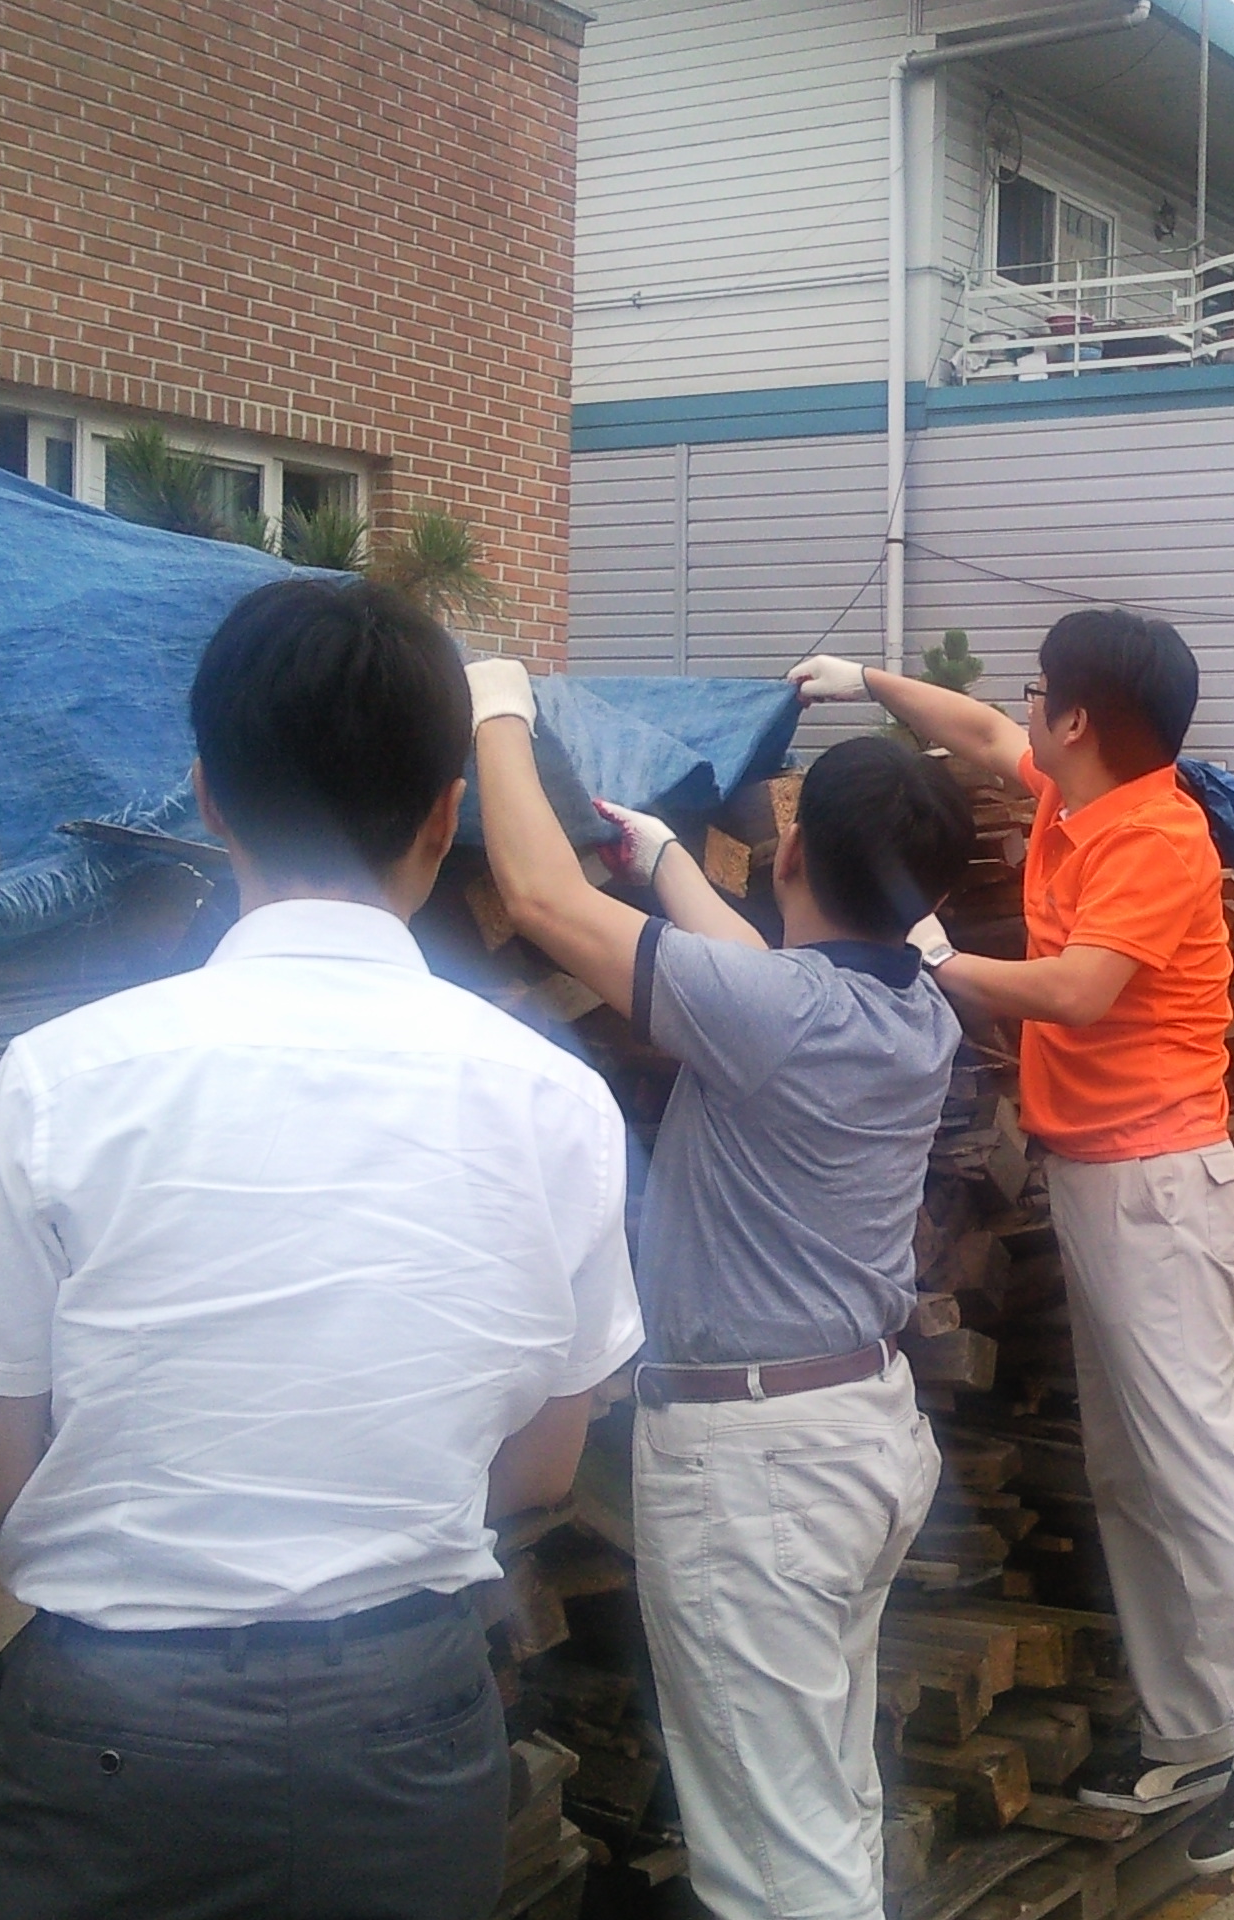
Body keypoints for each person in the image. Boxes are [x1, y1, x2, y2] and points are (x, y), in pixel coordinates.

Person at [0, 579, 645, 1920]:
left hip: (112, 1748)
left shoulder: (64, 1076)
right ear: (444, 818)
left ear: (210, 799)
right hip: (407, 1735)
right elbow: (536, 1465)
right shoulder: (554, 1101)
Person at [787, 611, 1234, 1875]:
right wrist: (861, 681)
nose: (1024, 708)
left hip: (1156, 1187)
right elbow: (979, 734)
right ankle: (1194, 1724)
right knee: (1132, 1469)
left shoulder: (1154, 834)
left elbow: (1075, 990)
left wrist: (928, 952)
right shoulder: (1081, 790)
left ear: (1084, 718)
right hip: (1104, 1181)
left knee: (1192, 1462)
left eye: (1042, 691)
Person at [465, 659, 975, 1920]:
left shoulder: (777, 1014)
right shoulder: (916, 1010)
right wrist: (658, 860)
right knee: (822, 1799)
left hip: (761, 1476)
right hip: (855, 1437)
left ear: (793, 851)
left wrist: (495, 703)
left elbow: (533, 891)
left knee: (771, 1867)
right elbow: (757, 965)